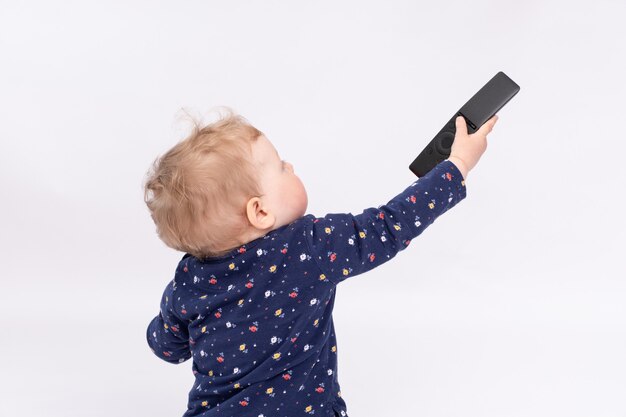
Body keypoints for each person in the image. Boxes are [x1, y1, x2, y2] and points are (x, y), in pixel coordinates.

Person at [143, 108, 498, 417]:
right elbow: (390, 226)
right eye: (281, 168)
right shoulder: (309, 248)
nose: (291, 165)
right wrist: (457, 166)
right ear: (260, 211)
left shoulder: (187, 282)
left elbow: (167, 347)